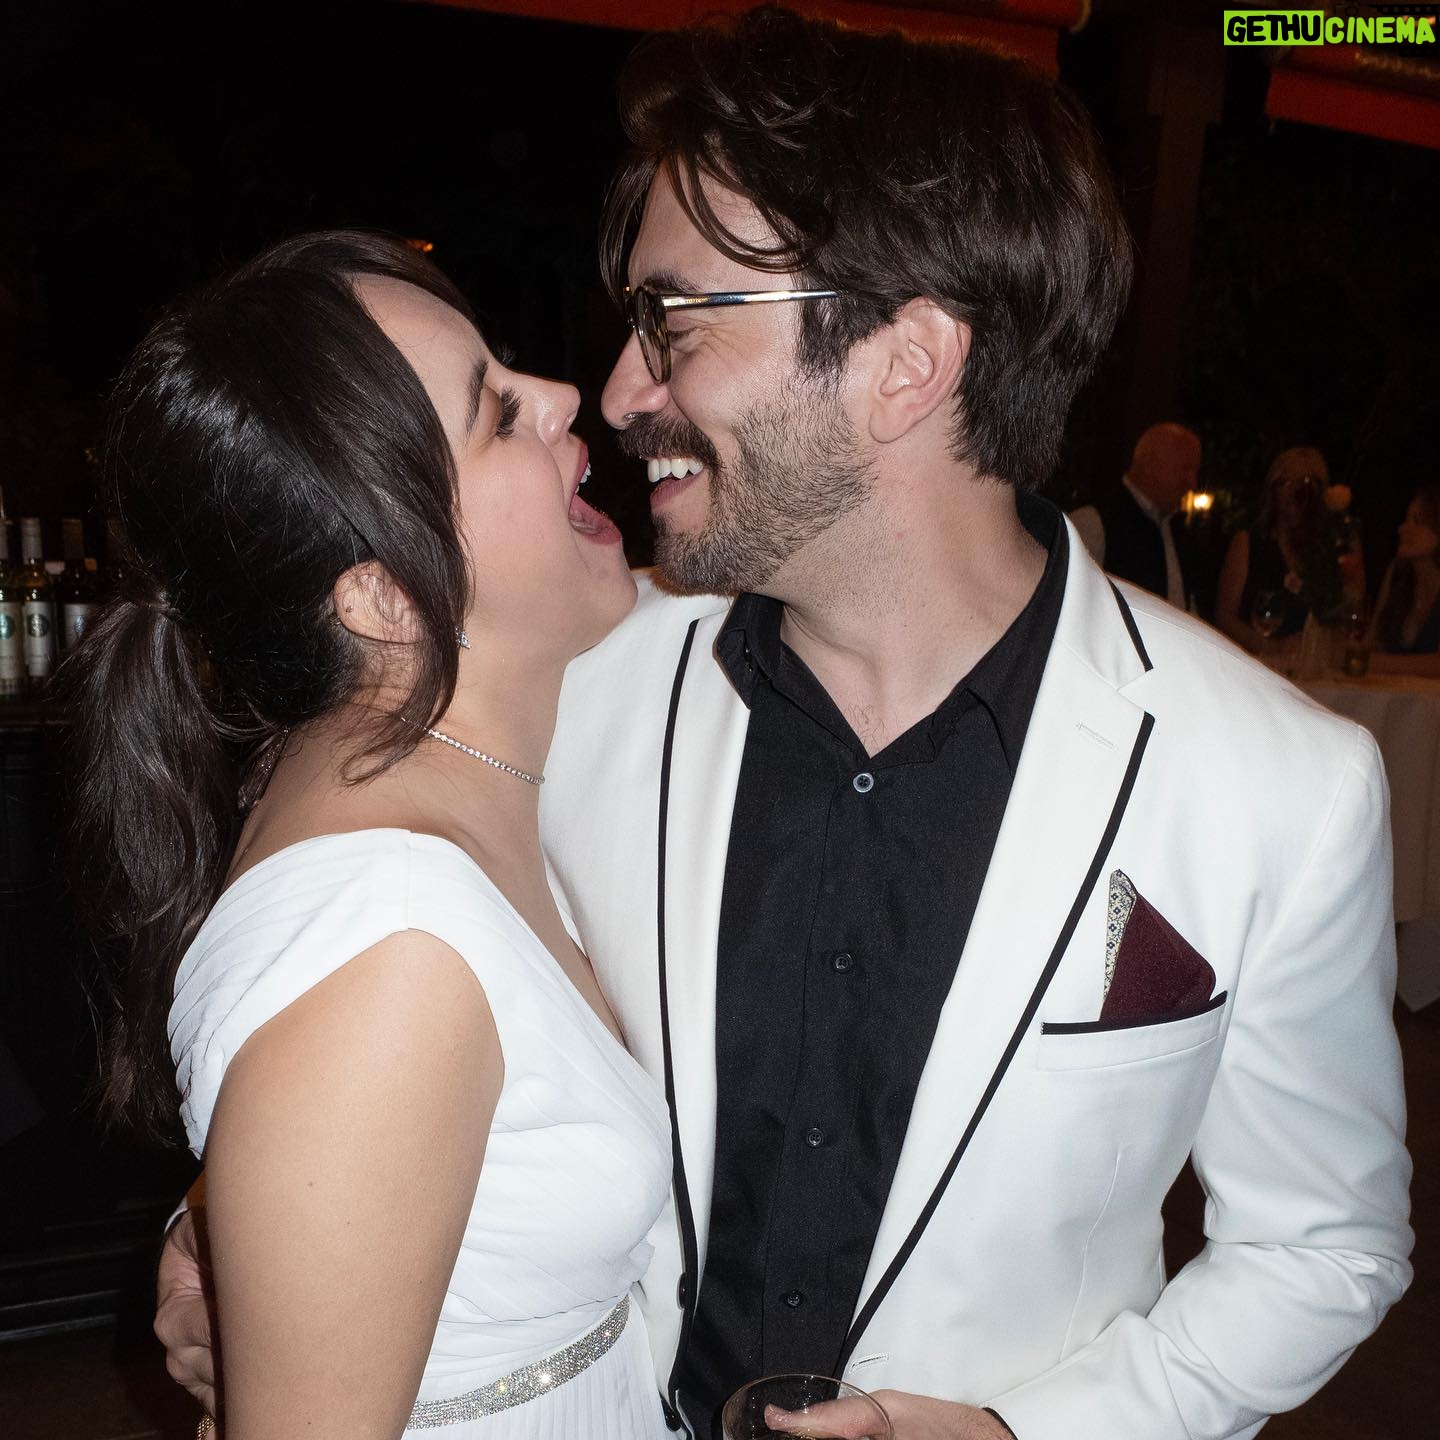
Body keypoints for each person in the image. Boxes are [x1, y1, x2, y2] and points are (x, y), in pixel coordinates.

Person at [158, 10, 1412, 1440]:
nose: (620, 393)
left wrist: (1029, 1433)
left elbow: (1326, 1247)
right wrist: (246, 1226)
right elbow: (381, 1001)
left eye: (676, 322)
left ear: (906, 362)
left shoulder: (1278, 782)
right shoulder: (566, 685)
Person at [69, 230, 673, 1439]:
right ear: (383, 595)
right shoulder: (386, 943)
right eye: (496, 413)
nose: (563, 395)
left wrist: (227, 1222)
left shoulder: (445, 774)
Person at [1214, 445, 1341, 651]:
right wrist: (1273, 647)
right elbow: (1224, 617)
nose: (1295, 492)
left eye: (1304, 484)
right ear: (1272, 489)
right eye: (1286, 482)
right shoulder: (1248, 543)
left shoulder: (1325, 551)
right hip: (1257, 660)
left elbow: (1343, 614)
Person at [1068, 422, 1201, 609]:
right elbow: (1072, 601)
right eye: (1186, 469)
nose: (1192, 484)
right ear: (1150, 464)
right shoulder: (1094, 520)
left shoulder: (1176, 528)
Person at [1368, 484, 1440, 678]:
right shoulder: (1397, 573)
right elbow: (1371, 643)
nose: (1402, 529)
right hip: (1393, 692)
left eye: (1417, 522)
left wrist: (1377, 662)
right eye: (1406, 520)